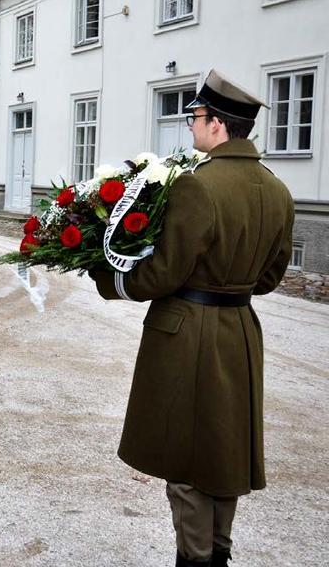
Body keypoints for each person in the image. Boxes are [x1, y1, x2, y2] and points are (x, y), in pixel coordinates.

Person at [89, 70, 295, 567]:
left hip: (188, 333)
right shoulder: (277, 191)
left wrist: (109, 278)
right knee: (223, 453)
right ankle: (217, 552)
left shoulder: (197, 187)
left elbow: (162, 273)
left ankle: (195, 558)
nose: (191, 127)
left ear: (218, 125)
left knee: (184, 459)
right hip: (240, 333)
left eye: (196, 117)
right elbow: (269, 277)